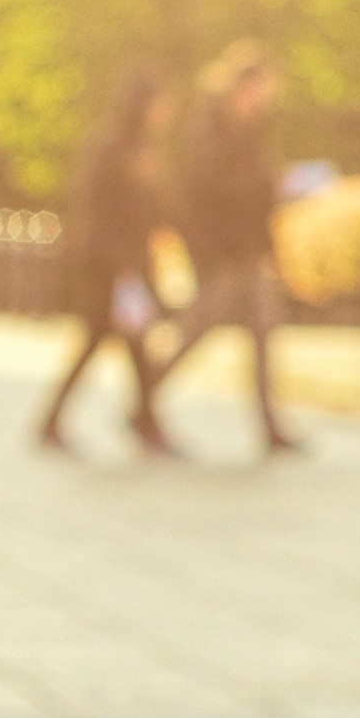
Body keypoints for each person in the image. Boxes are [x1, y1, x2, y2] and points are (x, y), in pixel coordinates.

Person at [150, 41, 300, 455]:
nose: (265, 100)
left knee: (263, 335)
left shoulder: (250, 132)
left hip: (247, 252)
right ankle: (143, 401)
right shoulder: (211, 128)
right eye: (260, 90)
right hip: (220, 254)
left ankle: (270, 428)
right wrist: (265, 185)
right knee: (196, 332)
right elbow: (203, 192)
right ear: (241, 86)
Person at [35, 68, 175, 456]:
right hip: (109, 268)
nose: (166, 112)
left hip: (129, 266)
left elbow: (150, 209)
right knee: (106, 341)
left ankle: (144, 423)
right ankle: (143, 425)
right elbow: (97, 213)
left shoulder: (143, 150)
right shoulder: (112, 149)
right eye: (160, 103)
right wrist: (120, 265)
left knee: (132, 345)